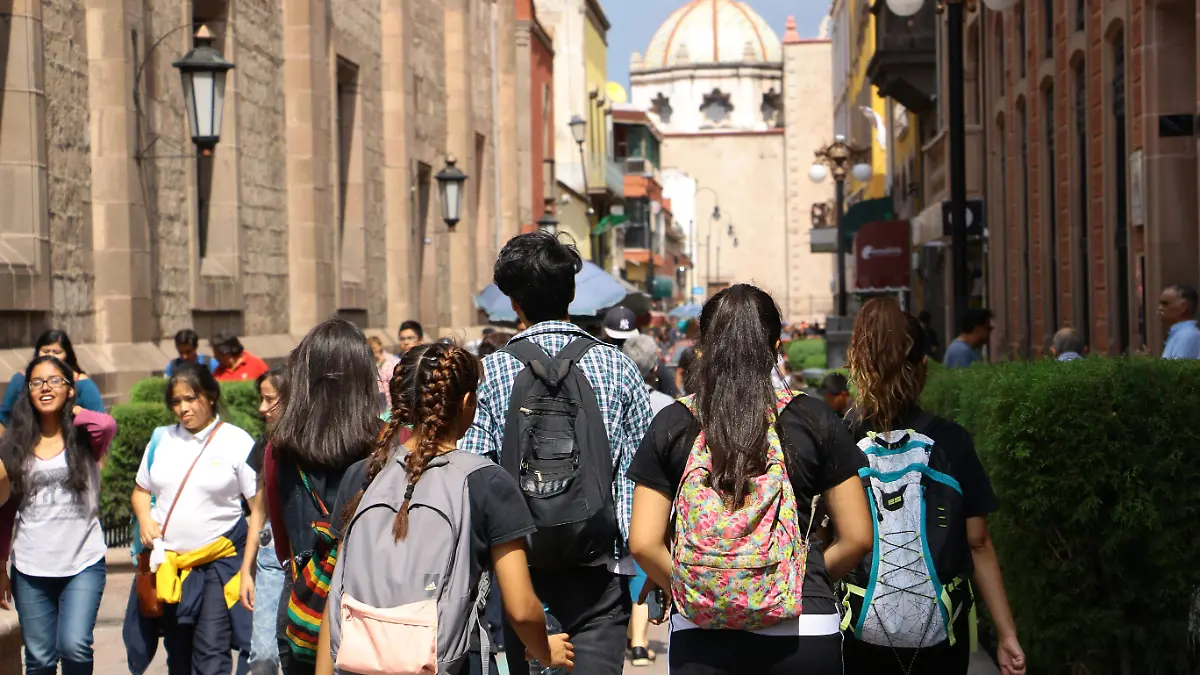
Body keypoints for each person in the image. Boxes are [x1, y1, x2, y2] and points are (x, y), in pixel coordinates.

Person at [626, 284, 874, 675]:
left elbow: (642, 542)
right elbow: (858, 537)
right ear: (777, 348)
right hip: (803, 626)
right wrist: (798, 580)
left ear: (704, 349)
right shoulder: (814, 420)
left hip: (701, 632)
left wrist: (700, 586)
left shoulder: (673, 423)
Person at [314, 343, 574, 675]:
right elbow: (521, 609)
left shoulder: (364, 474)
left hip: (358, 663)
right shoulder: (486, 482)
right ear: (467, 403)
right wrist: (545, 650)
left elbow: (338, 592)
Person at [461, 231, 653, 675]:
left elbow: (475, 478)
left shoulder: (489, 373)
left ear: (514, 303)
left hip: (517, 576)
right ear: (572, 294)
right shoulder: (616, 367)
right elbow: (637, 477)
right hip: (597, 577)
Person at [841, 298, 1025, 675]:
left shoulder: (841, 441)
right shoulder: (952, 441)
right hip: (943, 635)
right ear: (923, 367)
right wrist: (1007, 634)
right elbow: (978, 543)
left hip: (859, 633)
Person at [248, 319, 381, 675]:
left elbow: (280, 538)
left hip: (303, 602)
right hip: (372, 601)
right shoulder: (386, 441)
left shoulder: (279, 446)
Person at [124, 362, 258, 675]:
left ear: (210, 396)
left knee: (212, 651)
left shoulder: (236, 441)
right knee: (179, 654)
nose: (183, 408)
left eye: (191, 398)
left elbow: (258, 506)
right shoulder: (162, 440)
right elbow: (141, 490)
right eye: (176, 401)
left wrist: (252, 565)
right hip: (169, 566)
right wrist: (145, 519)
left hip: (218, 564)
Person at [0, 356, 117, 675]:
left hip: (82, 561)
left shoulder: (85, 437)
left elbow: (106, 425)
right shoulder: (15, 443)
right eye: (37, 382)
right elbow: (6, 509)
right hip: (30, 565)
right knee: (39, 658)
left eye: (55, 381)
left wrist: (73, 408)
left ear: (70, 389)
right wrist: (0, 566)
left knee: (75, 646)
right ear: (27, 392)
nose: (45, 388)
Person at [620, 333, 676, 667]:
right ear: (655, 366)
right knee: (645, 560)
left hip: (620, 493)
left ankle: (633, 636)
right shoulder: (668, 406)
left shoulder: (612, 396)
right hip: (657, 496)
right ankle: (639, 642)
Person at [241, 368, 287, 675]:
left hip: (308, 554)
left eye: (269, 399)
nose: (261, 408)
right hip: (271, 555)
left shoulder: (318, 443)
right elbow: (258, 509)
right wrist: (247, 570)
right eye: (261, 398)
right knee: (263, 655)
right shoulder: (265, 446)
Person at [0, 330, 105, 432]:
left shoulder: (83, 384)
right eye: (45, 351)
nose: (50, 356)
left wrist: (77, 411)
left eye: (57, 352)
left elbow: (101, 423)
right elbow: (4, 417)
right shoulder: (20, 379)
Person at [1158, 284, 1200, 359]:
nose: (1160, 308)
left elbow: (1176, 370)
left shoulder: (1187, 335)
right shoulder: (1180, 334)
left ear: (1183, 306)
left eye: (1165, 304)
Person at [366, 336, 401, 413]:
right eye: (371, 349)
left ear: (380, 345)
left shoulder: (392, 359)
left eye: (375, 348)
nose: (374, 351)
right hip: (377, 402)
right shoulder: (368, 362)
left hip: (391, 399)